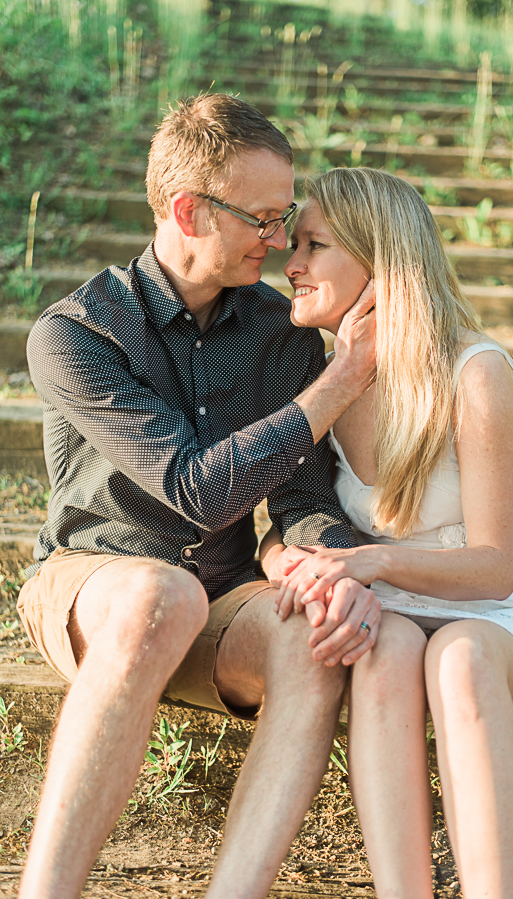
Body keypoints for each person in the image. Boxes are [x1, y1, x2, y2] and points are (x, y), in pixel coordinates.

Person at [16, 96, 381, 899]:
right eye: (261, 217)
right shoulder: (77, 334)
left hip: (218, 599)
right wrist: (340, 382)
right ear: (187, 209)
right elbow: (196, 489)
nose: (281, 240)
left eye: (286, 217)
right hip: (96, 580)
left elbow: (301, 499)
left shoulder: (279, 331)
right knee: (157, 594)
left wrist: (335, 564)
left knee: (311, 640)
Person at [262, 167, 513, 899]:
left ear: (380, 262)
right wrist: (289, 559)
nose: (292, 263)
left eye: (314, 245)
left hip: (496, 615)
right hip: (397, 605)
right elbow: (286, 513)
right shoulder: (319, 381)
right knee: (387, 651)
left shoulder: (475, 375)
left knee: (461, 659)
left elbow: (496, 566)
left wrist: (369, 559)